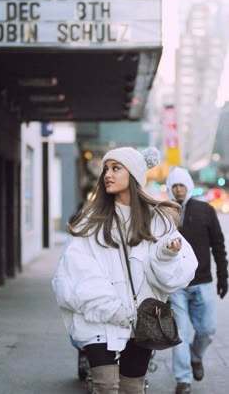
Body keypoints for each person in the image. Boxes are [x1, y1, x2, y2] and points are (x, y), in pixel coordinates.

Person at [52, 147, 198, 394]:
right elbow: (76, 271)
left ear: (134, 174)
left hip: (140, 323)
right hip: (99, 318)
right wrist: (111, 308)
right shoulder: (91, 222)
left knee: (133, 388)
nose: (107, 174)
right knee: (105, 387)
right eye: (106, 169)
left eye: (116, 168)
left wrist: (166, 255)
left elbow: (179, 275)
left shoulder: (157, 220)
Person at [166, 167, 228, 394]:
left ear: (189, 186)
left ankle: (195, 356)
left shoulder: (205, 210)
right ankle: (183, 380)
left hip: (203, 282)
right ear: (170, 188)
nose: (179, 189)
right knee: (179, 335)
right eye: (175, 186)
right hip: (176, 286)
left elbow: (219, 246)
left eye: (182, 185)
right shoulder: (164, 213)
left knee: (208, 329)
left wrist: (223, 276)